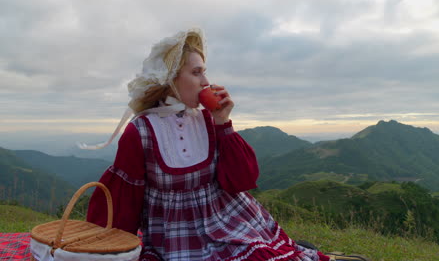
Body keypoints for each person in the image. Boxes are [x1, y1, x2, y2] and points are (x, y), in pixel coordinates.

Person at [86, 28, 327, 261]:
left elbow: (242, 180)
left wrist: (223, 122)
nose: (206, 81)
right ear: (171, 79)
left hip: (229, 224)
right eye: (196, 72)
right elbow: (123, 201)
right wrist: (109, 248)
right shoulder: (140, 131)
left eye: (204, 72)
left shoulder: (208, 121)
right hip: (174, 240)